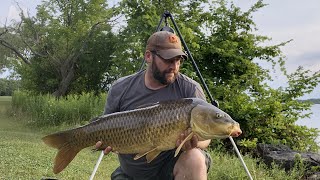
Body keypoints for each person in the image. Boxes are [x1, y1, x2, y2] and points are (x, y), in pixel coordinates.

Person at [96, 31, 212, 180]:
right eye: (168, 60)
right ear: (148, 56)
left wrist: (195, 142)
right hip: (132, 173)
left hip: (172, 168)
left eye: (178, 60)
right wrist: (105, 142)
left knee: (195, 157)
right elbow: (105, 126)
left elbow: (207, 135)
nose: (174, 67)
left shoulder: (190, 89)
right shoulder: (121, 88)